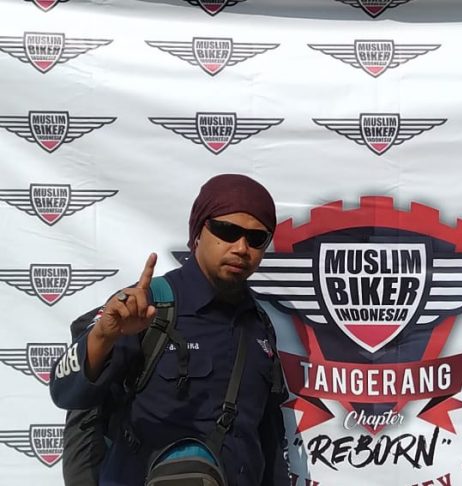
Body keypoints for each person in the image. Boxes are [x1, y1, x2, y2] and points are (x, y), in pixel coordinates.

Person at [50, 174, 289, 486]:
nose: (242, 248)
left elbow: (268, 439)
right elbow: (64, 391)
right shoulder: (145, 307)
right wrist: (103, 337)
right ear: (198, 231)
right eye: (227, 231)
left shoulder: (260, 326)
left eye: (257, 238)